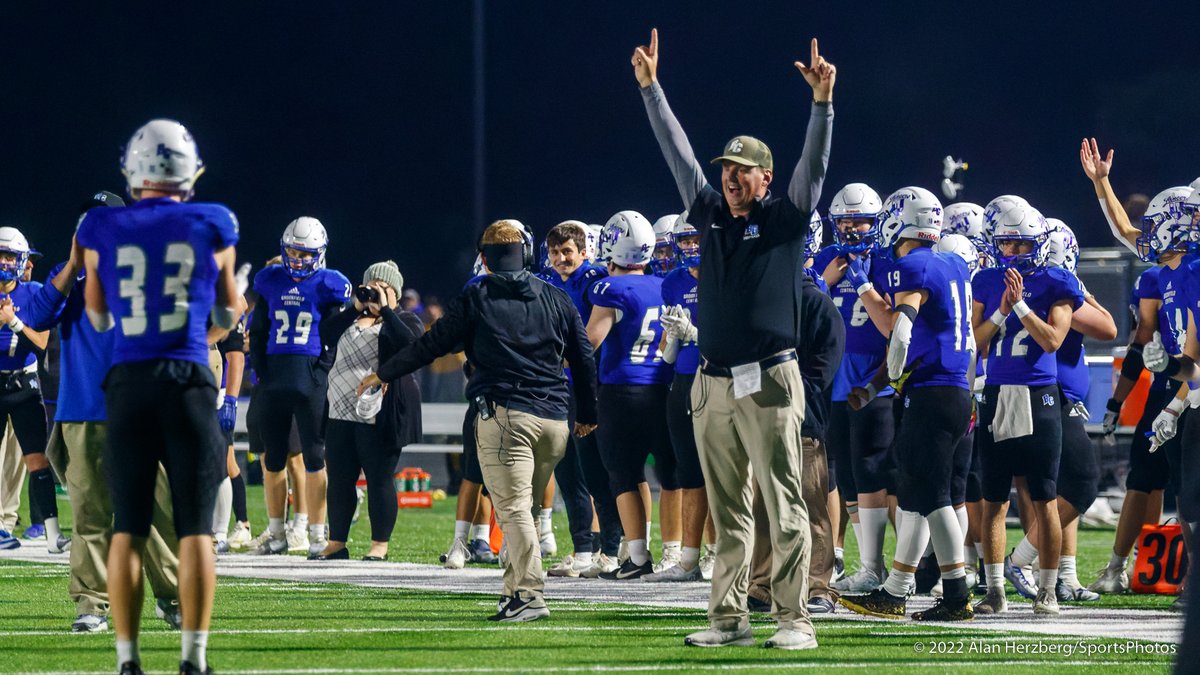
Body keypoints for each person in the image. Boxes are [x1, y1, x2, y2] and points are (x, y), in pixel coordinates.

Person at [634, 28, 834, 649]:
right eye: (727, 169)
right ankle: (728, 618)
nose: (729, 177)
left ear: (765, 177)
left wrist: (822, 105)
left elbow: (814, 168)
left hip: (770, 375)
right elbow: (679, 157)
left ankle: (795, 619)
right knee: (728, 511)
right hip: (713, 378)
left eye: (742, 170)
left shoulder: (784, 219)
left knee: (784, 501)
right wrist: (652, 90)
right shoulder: (711, 215)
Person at [359, 219, 598, 622]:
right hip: (555, 421)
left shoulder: (478, 295)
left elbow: (431, 345)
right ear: (526, 253)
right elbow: (583, 356)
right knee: (522, 510)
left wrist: (384, 373)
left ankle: (529, 596)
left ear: (484, 259)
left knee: (514, 511)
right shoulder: (557, 296)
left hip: (508, 417)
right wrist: (588, 412)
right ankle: (513, 592)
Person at [78, 118, 240, 674]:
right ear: (189, 170)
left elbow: (99, 315)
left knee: (128, 526)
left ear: (134, 169)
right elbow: (229, 312)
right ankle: (193, 658)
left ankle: (128, 661)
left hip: (130, 382)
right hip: (189, 378)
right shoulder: (213, 220)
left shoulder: (100, 224)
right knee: (195, 529)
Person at [25, 191, 184, 634]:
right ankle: (92, 604)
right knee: (90, 516)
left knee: (156, 513)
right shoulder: (65, 276)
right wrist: (74, 265)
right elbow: (36, 318)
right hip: (82, 412)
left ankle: (173, 597)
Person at [837, 187, 975, 621]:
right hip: (953, 389)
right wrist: (876, 383)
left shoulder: (912, 265)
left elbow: (900, 330)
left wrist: (891, 372)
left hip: (931, 391)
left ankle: (955, 594)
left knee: (933, 496)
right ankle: (896, 590)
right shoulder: (953, 262)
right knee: (916, 494)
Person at [1082, 139, 1192, 594]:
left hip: (1191, 385)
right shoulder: (1160, 273)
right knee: (1147, 477)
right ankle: (1120, 568)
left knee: (1190, 487)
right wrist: (1101, 184)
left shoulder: (1194, 269)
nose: (1149, 232)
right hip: (1174, 382)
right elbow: (1127, 231)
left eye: (1160, 223)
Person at [970, 202, 1083, 616]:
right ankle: (995, 590)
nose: (1014, 251)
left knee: (1044, 498)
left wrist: (1019, 306)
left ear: (1040, 243)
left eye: (1023, 244)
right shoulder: (985, 280)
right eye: (1007, 243)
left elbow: (1052, 340)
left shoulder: (1057, 280)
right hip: (997, 392)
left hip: (1039, 395)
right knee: (994, 499)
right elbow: (975, 341)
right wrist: (1002, 309)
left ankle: (1047, 590)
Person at [1003, 222, 1113, 603]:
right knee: (1080, 484)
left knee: (1059, 487)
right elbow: (1108, 327)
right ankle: (1020, 560)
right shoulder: (1055, 288)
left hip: (1056, 397)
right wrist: (1082, 290)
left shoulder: (1044, 286)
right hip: (1052, 396)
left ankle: (1064, 574)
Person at [249, 218, 351, 557]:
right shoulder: (269, 280)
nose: (297, 259)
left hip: (310, 377)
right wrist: (262, 371)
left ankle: (317, 535)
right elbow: (259, 331)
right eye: (292, 252)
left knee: (315, 457)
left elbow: (334, 332)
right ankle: (277, 532)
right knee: (273, 459)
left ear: (319, 253)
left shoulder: (329, 284)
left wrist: (321, 369)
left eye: (305, 254)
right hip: (275, 376)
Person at [815, 183, 896, 595]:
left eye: (860, 221)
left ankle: (884, 564)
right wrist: (821, 282)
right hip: (833, 383)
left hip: (874, 384)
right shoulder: (826, 260)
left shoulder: (887, 262)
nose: (851, 228)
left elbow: (894, 328)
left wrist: (864, 285)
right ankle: (869, 564)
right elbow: (801, 313)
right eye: (845, 221)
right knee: (846, 476)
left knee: (872, 474)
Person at [585, 211, 676, 580]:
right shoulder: (665, 284)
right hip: (663, 391)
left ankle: (637, 556)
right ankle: (678, 554)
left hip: (621, 392)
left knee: (623, 474)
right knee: (671, 474)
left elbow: (591, 341)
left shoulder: (611, 289)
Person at [315, 261, 423, 561]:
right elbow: (324, 333)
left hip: (380, 413)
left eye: (382, 288)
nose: (374, 293)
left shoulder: (404, 319)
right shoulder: (350, 318)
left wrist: (386, 310)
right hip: (340, 409)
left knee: (378, 478)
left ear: (395, 292)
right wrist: (356, 307)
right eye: (370, 287)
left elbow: (413, 346)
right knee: (339, 478)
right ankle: (337, 542)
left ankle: (379, 545)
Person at [536, 221, 617, 578]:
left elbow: (592, 339)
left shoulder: (596, 280)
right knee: (567, 470)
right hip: (559, 386)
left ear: (584, 252)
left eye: (567, 251)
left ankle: (612, 548)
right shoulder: (547, 282)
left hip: (591, 384)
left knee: (598, 471)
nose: (561, 258)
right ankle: (584, 548)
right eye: (555, 252)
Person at [644, 214, 715, 583]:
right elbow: (667, 351)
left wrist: (696, 334)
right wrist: (673, 341)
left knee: (720, 472)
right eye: (684, 240)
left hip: (719, 378)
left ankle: (719, 552)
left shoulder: (725, 274)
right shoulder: (672, 281)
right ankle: (688, 558)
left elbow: (735, 337)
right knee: (688, 472)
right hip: (683, 381)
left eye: (695, 239)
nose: (690, 247)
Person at [0, 226, 64, 553]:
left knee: (37, 460)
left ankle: (53, 534)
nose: (4, 262)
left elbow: (41, 344)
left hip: (24, 385)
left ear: (22, 259)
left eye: (9, 256)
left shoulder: (34, 292)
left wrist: (13, 322)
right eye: (0, 255)